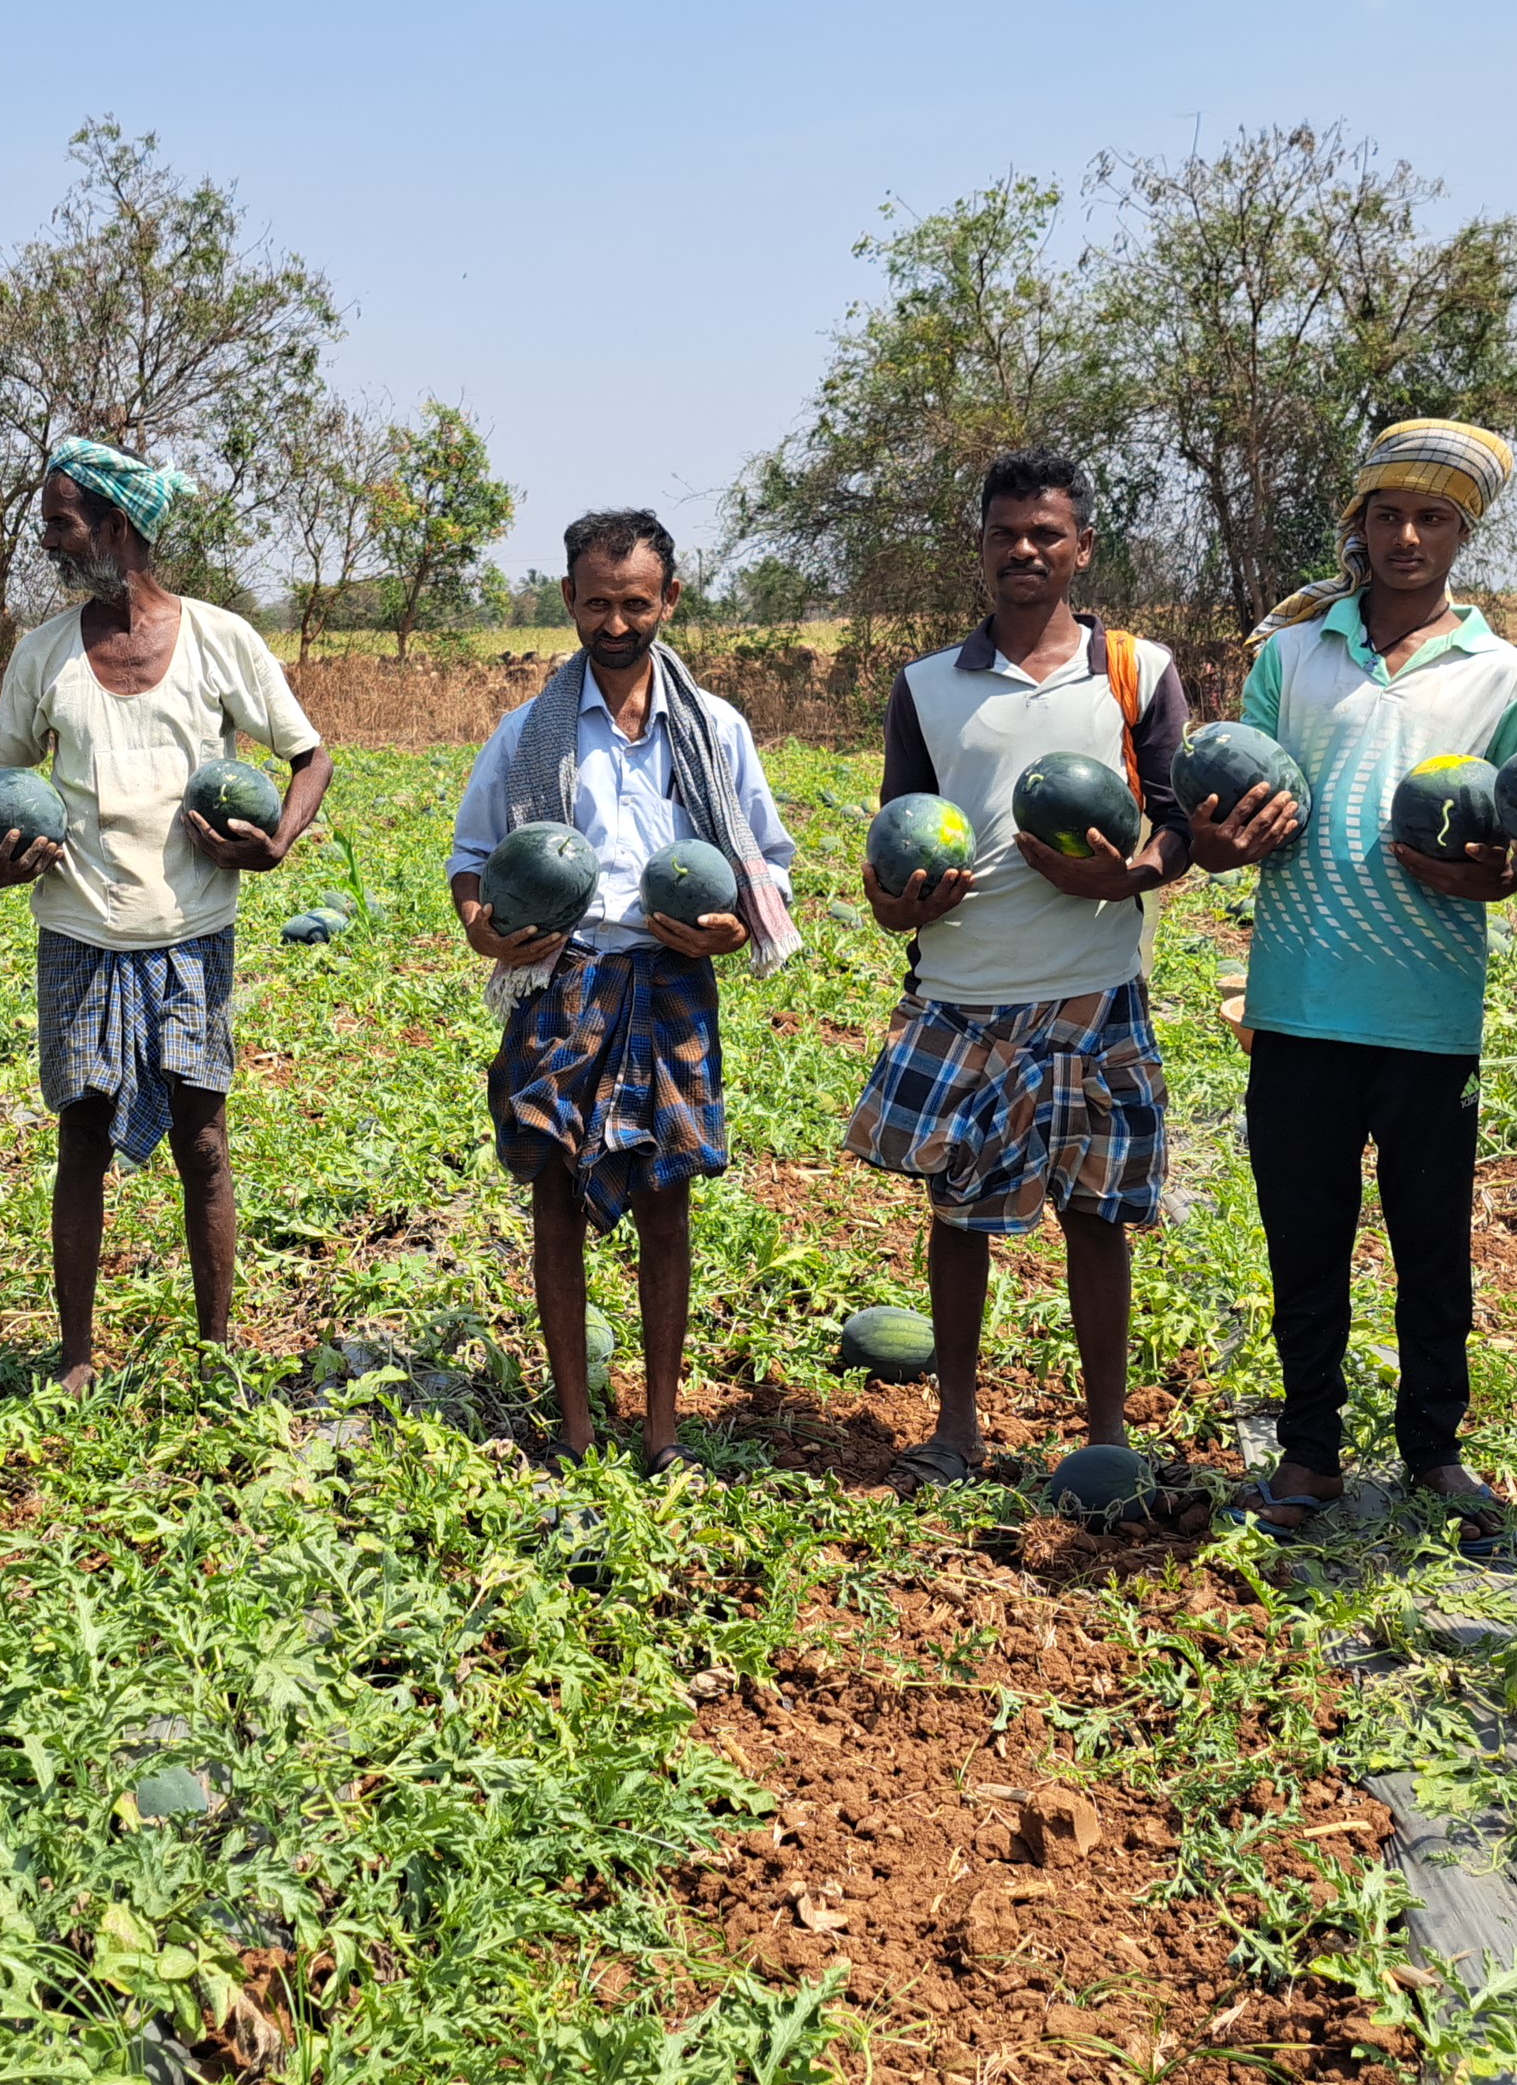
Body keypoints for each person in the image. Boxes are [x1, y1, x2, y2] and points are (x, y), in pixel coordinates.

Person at [1195, 420, 1517, 1543]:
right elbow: (1224, 821)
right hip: (1299, 1005)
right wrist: (1230, 836)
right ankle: (1309, 1450)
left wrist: (1495, 877)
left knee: (1431, 1241)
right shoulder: (1290, 657)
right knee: (1303, 1238)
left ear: (1463, 534)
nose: (1407, 537)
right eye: (1387, 515)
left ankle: (1433, 1447)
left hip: (1428, 1014)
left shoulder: (1507, 679)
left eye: (1434, 518)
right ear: (1356, 525)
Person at [850, 450, 1191, 1486]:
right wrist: (891, 903)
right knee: (957, 1218)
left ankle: (1105, 1433)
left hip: (1096, 988)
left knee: (1098, 1219)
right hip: (962, 991)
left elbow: (1177, 824)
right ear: (983, 548)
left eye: (1047, 534)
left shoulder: (1137, 671)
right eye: (1006, 534)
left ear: (1082, 547)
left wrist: (1123, 878)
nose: (1025, 551)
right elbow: (891, 839)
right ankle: (957, 1425)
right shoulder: (926, 686)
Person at [0, 438, 333, 1394]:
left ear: (119, 525)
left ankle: (218, 1350)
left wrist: (278, 843)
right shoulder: (44, 654)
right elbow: (4, 782)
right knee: (82, 1139)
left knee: (203, 1141)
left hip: (193, 928)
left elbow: (309, 757)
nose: (48, 540)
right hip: (81, 931)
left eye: (61, 521)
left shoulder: (221, 639)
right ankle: (77, 1355)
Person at [450, 509, 799, 1469]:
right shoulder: (526, 735)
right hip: (561, 982)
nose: (615, 624)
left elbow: (765, 860)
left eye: (635, 604)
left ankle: (661, 1428)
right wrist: (483, 925)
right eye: (597, 603)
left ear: (670, 600)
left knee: (666, 1195)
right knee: (555, 1194)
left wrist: (733, 927)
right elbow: (473, 859)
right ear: (567, 600)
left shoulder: (715, 728)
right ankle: (571, 1424)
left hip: (672, 978)